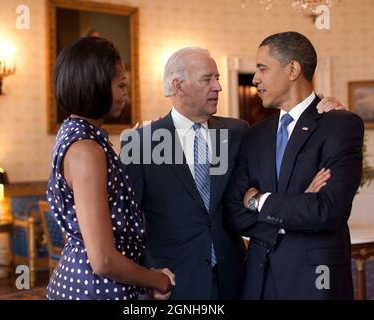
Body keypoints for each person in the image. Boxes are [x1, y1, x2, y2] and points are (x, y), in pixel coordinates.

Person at [121, 47, 344, 299]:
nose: (218, 86)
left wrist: (322, 109)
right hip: (172, 282)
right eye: (207, 79)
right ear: (178, 86)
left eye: (217, 78)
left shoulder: (239, 132)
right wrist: (144, 275)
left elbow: (263, 190)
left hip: (235, 278)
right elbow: (127, 221)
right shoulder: (140, 142)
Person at [224, 32, 364, 300]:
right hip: (258, 280)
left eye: (262, 68)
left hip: (314, 281)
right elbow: (233, 213)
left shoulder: (341, 125)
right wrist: (298, 205)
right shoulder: (252, 135)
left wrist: (258, 201)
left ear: (292, 69)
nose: (255, 79)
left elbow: (327, 211)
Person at [46, 37, 174, 300]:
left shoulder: (77, 133)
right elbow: (103, 260)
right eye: (121, 85)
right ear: (95, 86)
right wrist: (158, 280)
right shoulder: (86, 149)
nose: (126, 93)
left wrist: (141, 143)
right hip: (94, 288)